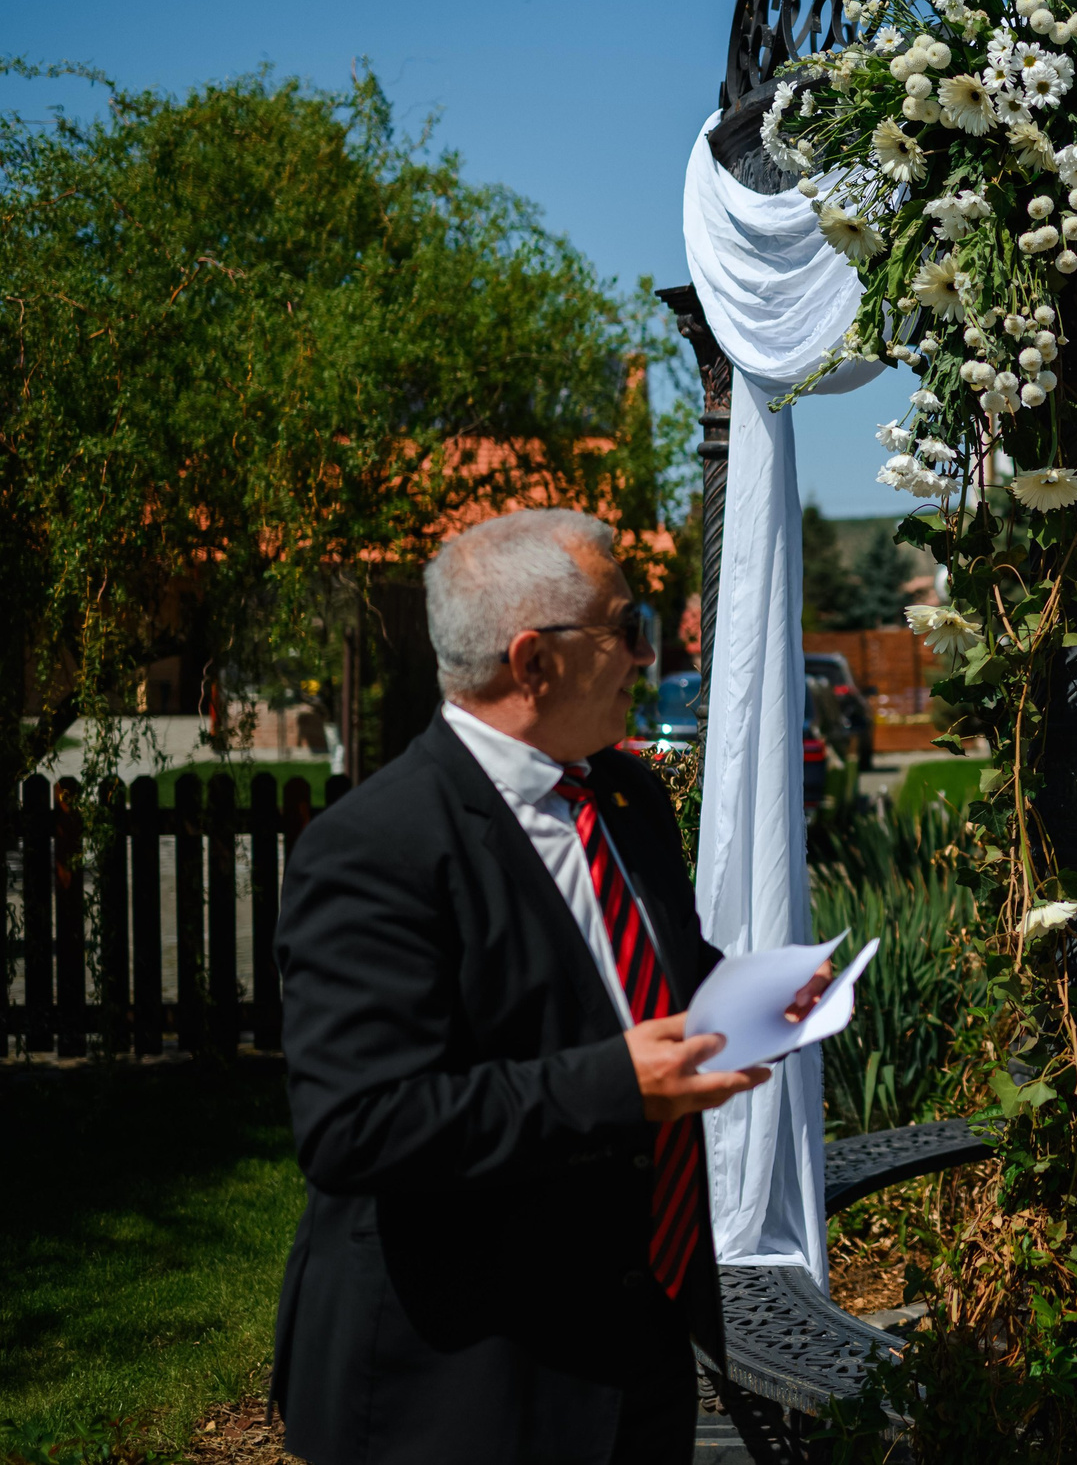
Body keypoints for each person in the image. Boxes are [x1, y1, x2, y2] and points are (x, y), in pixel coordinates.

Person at [271, 509, 829, 1465]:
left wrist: (755, 996)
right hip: (462, 1383)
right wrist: (619, 1087)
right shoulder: (376, 847)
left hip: (637, 1345)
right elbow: (356, 1124)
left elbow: (653, 973)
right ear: (533, 663)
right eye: (625, 627)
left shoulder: (626, 795)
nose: (646, 656)